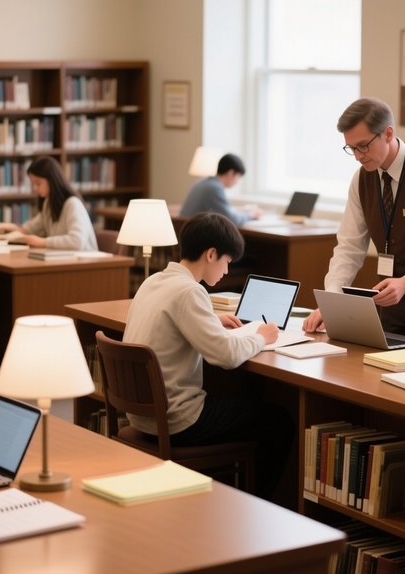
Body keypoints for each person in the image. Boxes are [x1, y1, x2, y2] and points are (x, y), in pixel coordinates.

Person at [123, 211, 293, 500]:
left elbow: (173, 322)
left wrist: (213, 320)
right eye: (227, 261)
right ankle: (264, 504)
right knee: (278, 421)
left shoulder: (153, 281)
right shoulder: (190, 292)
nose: (227, 271)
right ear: (212, 254)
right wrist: (260, 337)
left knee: (245, 404)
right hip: (179, 420)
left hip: (142, 415)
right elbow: (225, 355)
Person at [303, 97, 405, 344]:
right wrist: (333, 301)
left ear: (388, 133)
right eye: (351, 148)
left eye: (363, 146)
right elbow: (349, 247)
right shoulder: (362, 179)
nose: (357, 156)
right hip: (391, 306)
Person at [5, 156, 98, 251]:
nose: (35, 188)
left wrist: (42, 242)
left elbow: (77, 241)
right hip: (65, 260)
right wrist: (0, 233)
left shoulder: (72, 204)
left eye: (38, 183)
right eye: (33, 184)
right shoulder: (48, 204)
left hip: (85, 262)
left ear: (52, 180)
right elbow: (29, 229)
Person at [180, 153, 262, 225]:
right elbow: (231, 220)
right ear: (231, 173)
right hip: (197, 235)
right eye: (238, 177)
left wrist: (242, 210)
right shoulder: (214, 188)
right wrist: (251, 215)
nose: (237, 182)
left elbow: (224, 211)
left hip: (187, 231)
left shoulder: (203, 183)